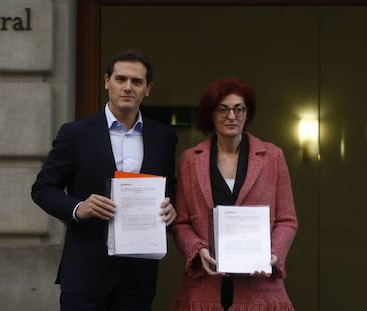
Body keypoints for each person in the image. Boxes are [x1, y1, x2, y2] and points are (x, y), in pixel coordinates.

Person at [31, 49, 177, 311]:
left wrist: (171, 209)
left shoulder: (163, 138)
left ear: (148, 89)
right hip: (86, 273)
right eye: (120, 79)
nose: (128, 87)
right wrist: (78, 208)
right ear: (106, 81)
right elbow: (42, 188)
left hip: (138, 274)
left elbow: (171, 190)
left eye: (137, 82)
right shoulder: (75, 133)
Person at [170, 77, 298, 311]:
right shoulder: (190, 160)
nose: (232, 116)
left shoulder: (272, 157)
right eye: (223, 109)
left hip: (260, 288)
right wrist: (198, 249)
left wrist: (272, 255)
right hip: (204, 288)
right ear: (211, 114)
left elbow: (287, 220)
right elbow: (180, 223)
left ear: (247, 114)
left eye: (239, 109)